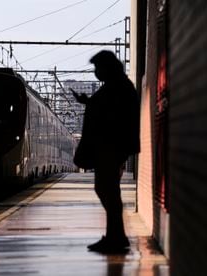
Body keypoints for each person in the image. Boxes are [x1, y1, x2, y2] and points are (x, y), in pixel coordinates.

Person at [73, 50, 140, 253]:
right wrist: (88, 102)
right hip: (112, 147)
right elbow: (106, 108)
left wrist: (90, 103)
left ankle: (116, 237)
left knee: (107, 191)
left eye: (98, 68)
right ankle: (115, 235)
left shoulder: (118, 87)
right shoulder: (118, 85)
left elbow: (110, 114)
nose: (96, 72)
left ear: (107, 67)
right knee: (108, 191)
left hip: (111, 147)